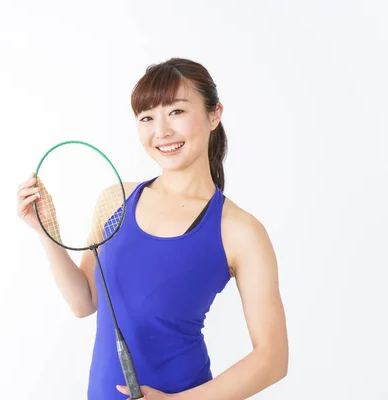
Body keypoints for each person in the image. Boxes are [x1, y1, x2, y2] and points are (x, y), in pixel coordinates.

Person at [17, 58, 288, 400]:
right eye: (147, 117)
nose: (161, 131)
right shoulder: (115, 200)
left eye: (176, 111)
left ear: (214, 114)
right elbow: (84, 302)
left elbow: (273, 359)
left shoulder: (240, 231)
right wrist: (45, 231)